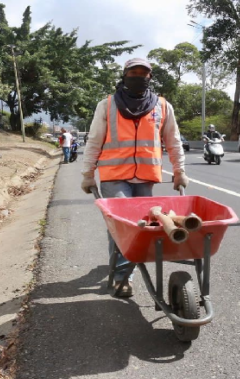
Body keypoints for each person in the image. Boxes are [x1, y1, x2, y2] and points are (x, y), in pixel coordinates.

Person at [80, 58, 189, 297]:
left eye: (144, 73)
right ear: (125, 75)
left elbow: (173, 140)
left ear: (150, 77)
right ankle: (122, 277)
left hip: (146, 176)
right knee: (122, 226)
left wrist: (179, 171)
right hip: (114, 176)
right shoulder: (107, 105)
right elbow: (94, 141)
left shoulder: (161, 106)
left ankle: (126, 266)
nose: (139, 76)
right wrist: (88, 174)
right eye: (134, 72)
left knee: (143, 226)